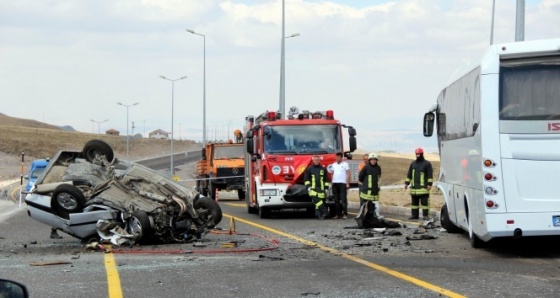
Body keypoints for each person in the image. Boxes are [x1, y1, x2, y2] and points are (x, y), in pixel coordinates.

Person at [404, 147, 434, 220]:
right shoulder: (413, 164)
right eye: (416, 154)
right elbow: (409, 174)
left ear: (422, 154)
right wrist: (406, 183)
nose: (417, 155)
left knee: (425, 204)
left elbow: (430, 175)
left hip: (423, 189)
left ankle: (425, 216)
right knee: (414, 204)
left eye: (419, 154)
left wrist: (429, 184)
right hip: (414, 189)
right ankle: (414, 216)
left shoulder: (427, 164)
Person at [304, 155, 330, 219]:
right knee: (316, 200)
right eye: (315, 160)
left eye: (317, 160)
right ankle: (325, 211)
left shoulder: (323, 169)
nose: (316, 161)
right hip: (313, 188)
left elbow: (326, 179)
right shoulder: (309, 168)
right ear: (313, 160)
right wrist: (308, 187)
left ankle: (318, 215)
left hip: (321, 189)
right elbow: (306, 179)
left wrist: (326, 188)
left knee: (318, 202)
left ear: (319, 160)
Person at [358, 153, 382, 218]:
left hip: (375, 191)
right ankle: (362, 217)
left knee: (376, 205)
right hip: (366, 192)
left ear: (376, 160)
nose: (373, 161)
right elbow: (360, 177)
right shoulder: (366, 167)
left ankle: (376, 217)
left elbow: (378, 178)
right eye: (372, 160)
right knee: (364, 206)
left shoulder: (378, 168)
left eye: (374, 160)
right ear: (369, 160)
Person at [330, 152, 350, 219]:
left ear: (341, 157)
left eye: (339, 157)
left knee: (343, 199)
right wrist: (332, 182)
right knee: (336, 200)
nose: (337, 158)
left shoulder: (345, 164)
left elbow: (348, 174)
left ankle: (345, 214)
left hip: (342, 183)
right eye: (336, 157)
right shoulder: (333, 165)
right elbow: (332, 174)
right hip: (335, 183)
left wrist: (347, 183)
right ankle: (337, 214)